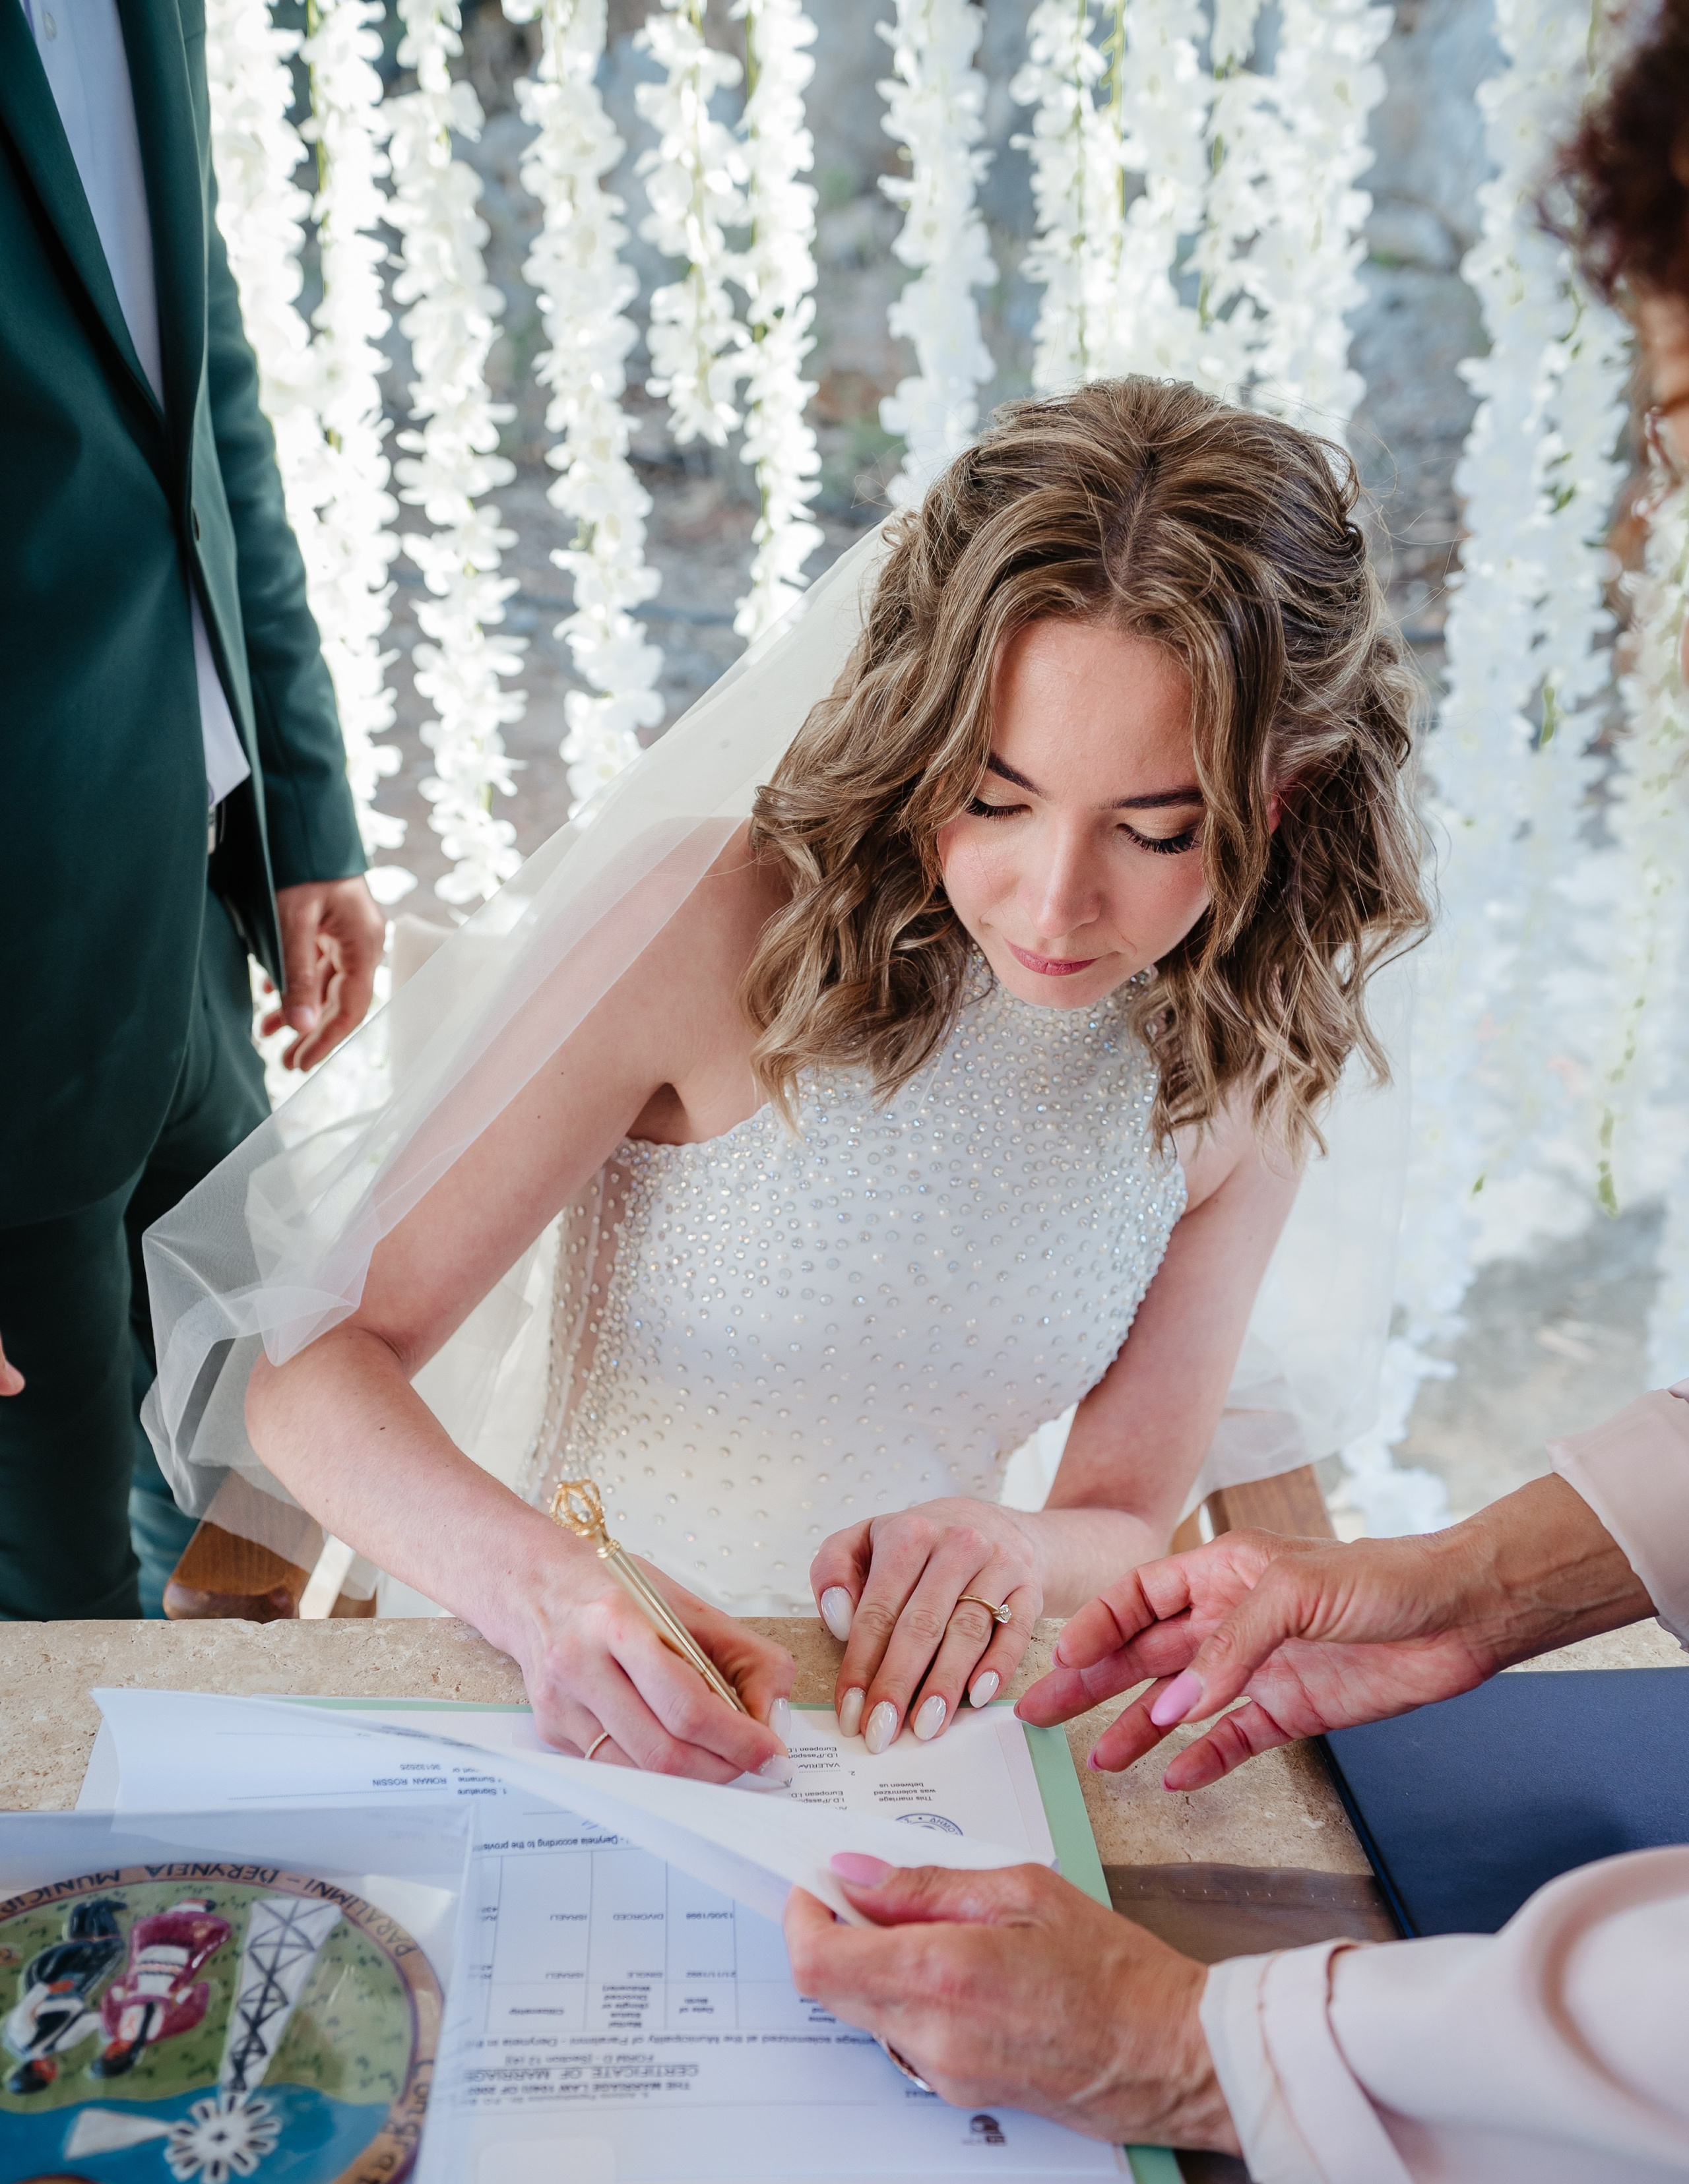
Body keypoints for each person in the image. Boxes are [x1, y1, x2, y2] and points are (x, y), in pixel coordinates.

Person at [788, 14, 1689, 2184]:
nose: (1657, 526)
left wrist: (1203, 2046)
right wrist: (1478, 1585)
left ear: (1264, 811)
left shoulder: (1229, 1079)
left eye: (1678, 428)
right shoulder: (741, 931)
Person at [144, 379, 1426, 1784]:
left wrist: (1012, 1547)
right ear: (923, 729)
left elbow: (1123, 1510)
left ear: (1274, 798)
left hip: (900, 1746)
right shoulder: (709, 926)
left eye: (1153, 828)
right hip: (548, 1671)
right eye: (994, 798)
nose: (1055, 902)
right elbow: (310, 1371)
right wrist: (549, 1593)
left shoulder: (1236, 1070)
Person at [0, 0, 383, 1621]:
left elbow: (201, 396)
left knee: (249, 1494)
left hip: (182, 893)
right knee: (51, 1617)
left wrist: (302, 808)